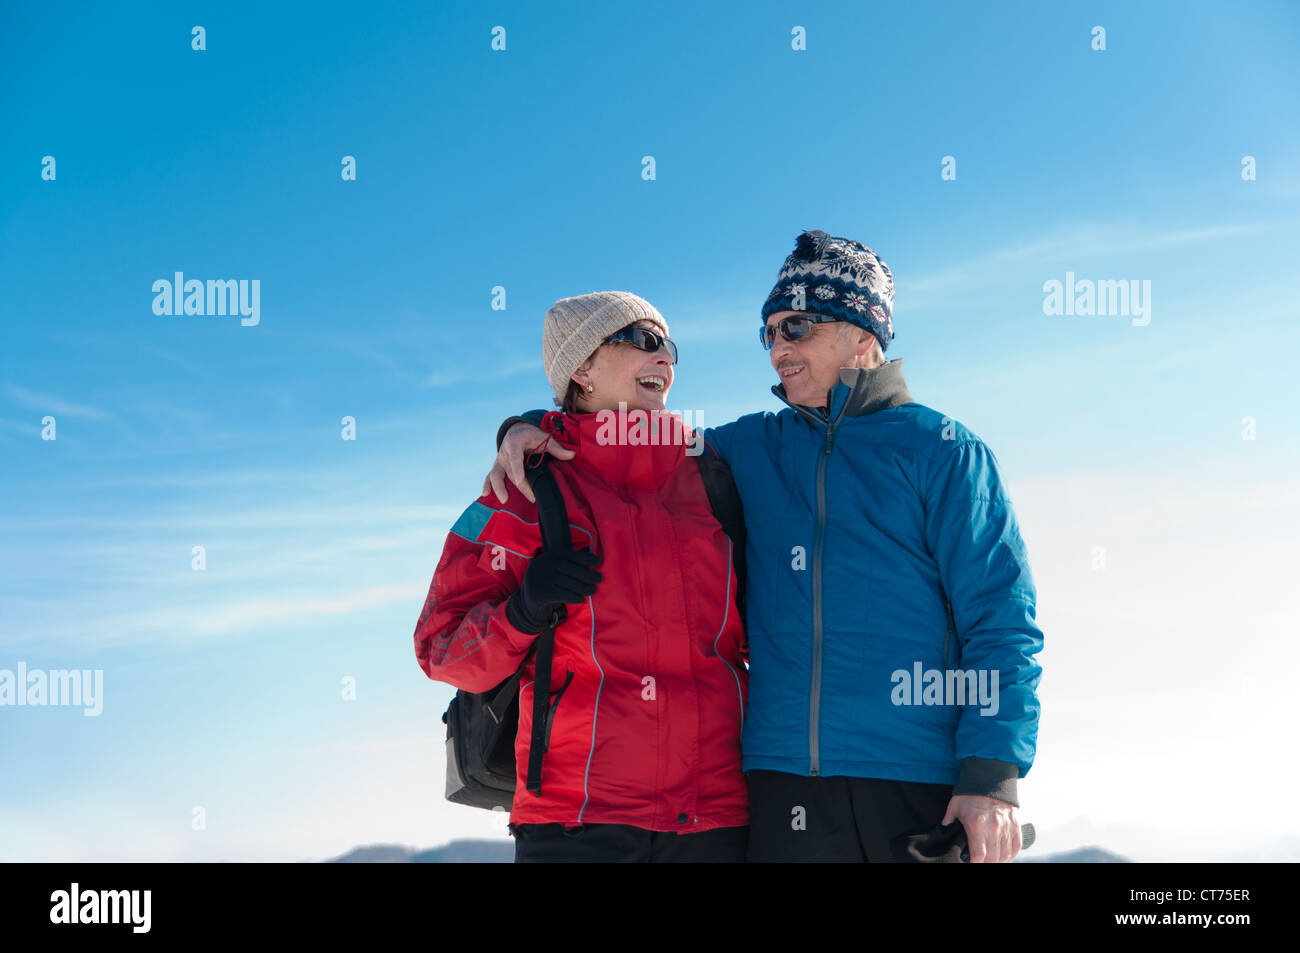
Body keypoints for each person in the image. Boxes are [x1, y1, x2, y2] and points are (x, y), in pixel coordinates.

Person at [487, 231, 1044, 863]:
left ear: (862, 333)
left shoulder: (944, 451)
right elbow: (615, 434)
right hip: (777, 788)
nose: (778, 348)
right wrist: (529, 425)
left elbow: (1001, 624)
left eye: (798, 326)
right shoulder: (745, 450)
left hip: (913, 778)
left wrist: (992, 778)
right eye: (769, 333)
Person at [414, 291, 749, 862]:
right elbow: (440, 649)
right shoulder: (519, 493)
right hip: (576, 822)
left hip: (714, 817)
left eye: (669, 345)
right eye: (643, 341)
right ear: (583, 370)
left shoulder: (716, 477)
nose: (665, 358)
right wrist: (521, 613)